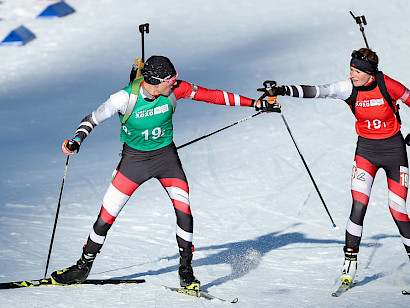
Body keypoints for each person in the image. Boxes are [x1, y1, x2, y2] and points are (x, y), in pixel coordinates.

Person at [51, 55, 280, 289]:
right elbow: (91, 119)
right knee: (105, 219)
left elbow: (213, 95)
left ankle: (186, 270)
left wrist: (256, 104)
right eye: (171, 79)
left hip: (166, 160)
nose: (175, 82)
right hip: (134, 163)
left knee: (184, 211)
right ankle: (82, 268)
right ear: (156, 81)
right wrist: (76, 140)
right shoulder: (124, 98)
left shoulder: (175, 90)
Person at [266, 48, 410, 284]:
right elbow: (319, 91)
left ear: (368, 72)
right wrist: (283, 90)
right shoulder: (349, 88)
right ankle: (349, 264)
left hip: (394, 152)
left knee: (398, 210)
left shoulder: (388, 85)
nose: (351, 74)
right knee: (358, 206)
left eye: (356, 70)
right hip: (366, 153)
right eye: (350, 69)